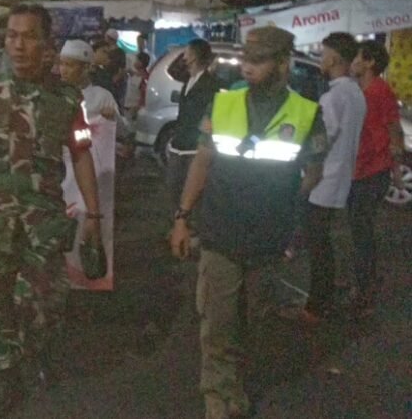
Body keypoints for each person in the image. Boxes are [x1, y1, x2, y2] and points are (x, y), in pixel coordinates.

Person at [0, 4, 103, 417]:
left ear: (47, 45)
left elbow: (81, 154)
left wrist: (95, 215)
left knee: (44, 303)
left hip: (42, 223)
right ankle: (6, 372)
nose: (18, 44)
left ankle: (36, 348)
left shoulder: (68, 99)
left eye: (29, 36)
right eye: (12, 35)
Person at [169, 26, 328, 419]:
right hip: (220, 232)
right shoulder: (223, 103)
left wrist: (281, 203)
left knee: (252, 321)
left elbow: (313, 173)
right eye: (245, 58)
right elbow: (202, 161)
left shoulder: (307, 113)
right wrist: (182, 217)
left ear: (283, 63)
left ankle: (235, 385)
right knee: (217, 321)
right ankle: (217, 395)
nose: (247, 66)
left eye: (258, 60)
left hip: (268, 238)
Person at [295, 33, 366, 324]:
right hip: (340, 176)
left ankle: (316, 306)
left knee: (318, 245)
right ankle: (323, 298)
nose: (321, 59)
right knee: (322, 242)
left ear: (335, 58)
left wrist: (305, 167)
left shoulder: (333, 97)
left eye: (323, 53)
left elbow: (322, 140)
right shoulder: (355, 93)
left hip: (324, 180)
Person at [348, 40, 405, 316]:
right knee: (358, 230)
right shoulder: (361, 90)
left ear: (370, 62)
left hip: (373, 171)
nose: (353, 62)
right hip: (359, 169)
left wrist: (395, 171)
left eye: (357, 57)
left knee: (362, 232)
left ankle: (365, 290)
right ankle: (363, 282)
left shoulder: (379, 91)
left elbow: (394, 130)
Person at [166, 40, 226, 216]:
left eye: (186, 52)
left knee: (190, 192)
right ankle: (177, 223)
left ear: (194, 55)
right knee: (173, 189)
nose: (183, 56)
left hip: (193, 147)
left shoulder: (210, 83)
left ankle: (186, 224)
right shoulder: (189, 79)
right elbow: (172, 70)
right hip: (179, 143)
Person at [58, 39, 117, 120]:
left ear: (86, 68)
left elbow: (120, 126)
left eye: (69, 65)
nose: (63, 70)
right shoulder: (56, 93)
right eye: (61, 64)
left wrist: (113, 117)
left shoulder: (103, 97)